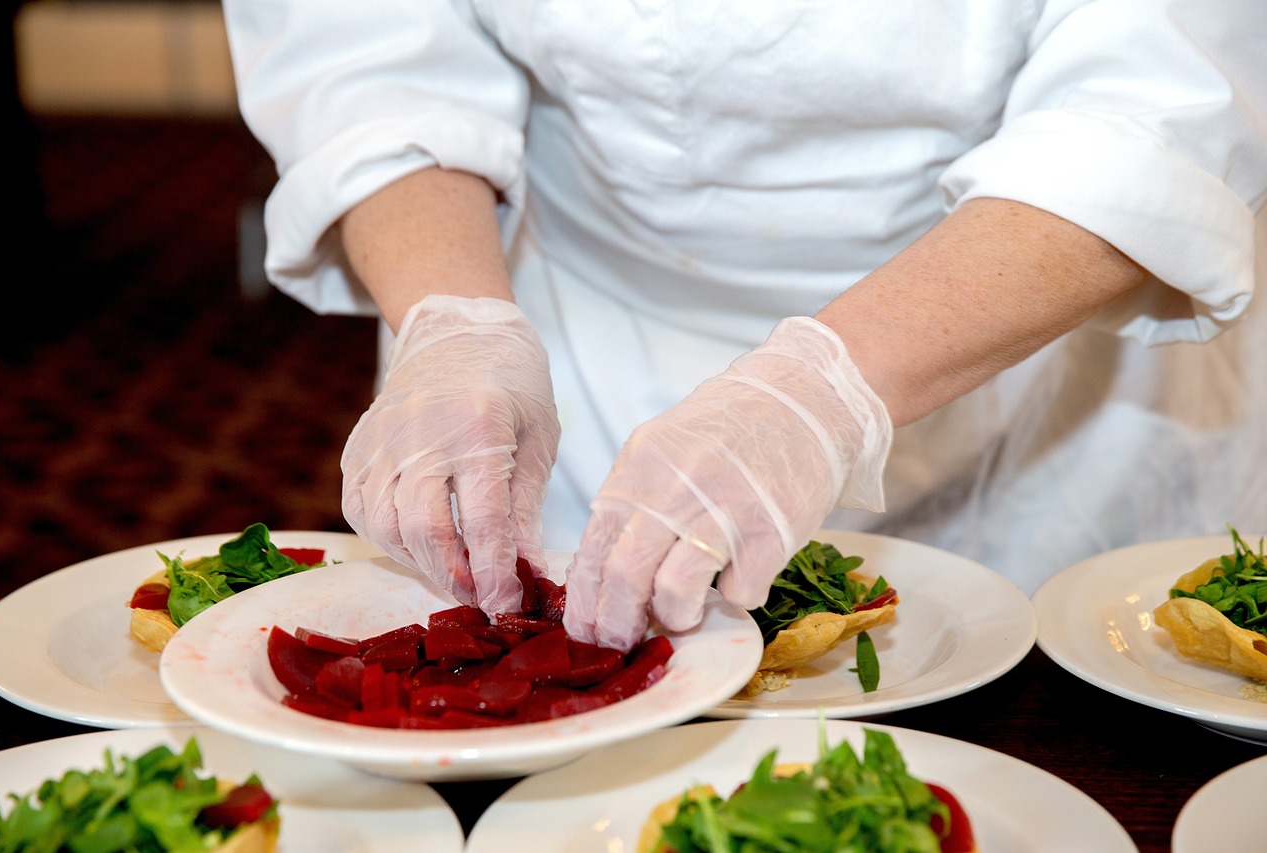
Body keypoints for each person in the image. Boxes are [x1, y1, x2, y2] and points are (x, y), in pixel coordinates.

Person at [221, 2, 1267, 651]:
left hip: (1034, 333)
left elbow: (1154, 112)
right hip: (586, 340)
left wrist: (815, 391)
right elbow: (370, 48)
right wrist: (454, 321)